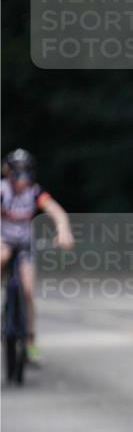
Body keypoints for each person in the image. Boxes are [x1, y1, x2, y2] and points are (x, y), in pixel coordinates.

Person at [0, 148, 74, 361]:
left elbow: (57, 211)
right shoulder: (3, 190)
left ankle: (30, 340)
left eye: (25, 171)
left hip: (25, 245)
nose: (22, 176)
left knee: (29, 290)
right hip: (3, 241)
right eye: (17, 171)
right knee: (2, 256)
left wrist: (63, 231)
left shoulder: (35, 192)